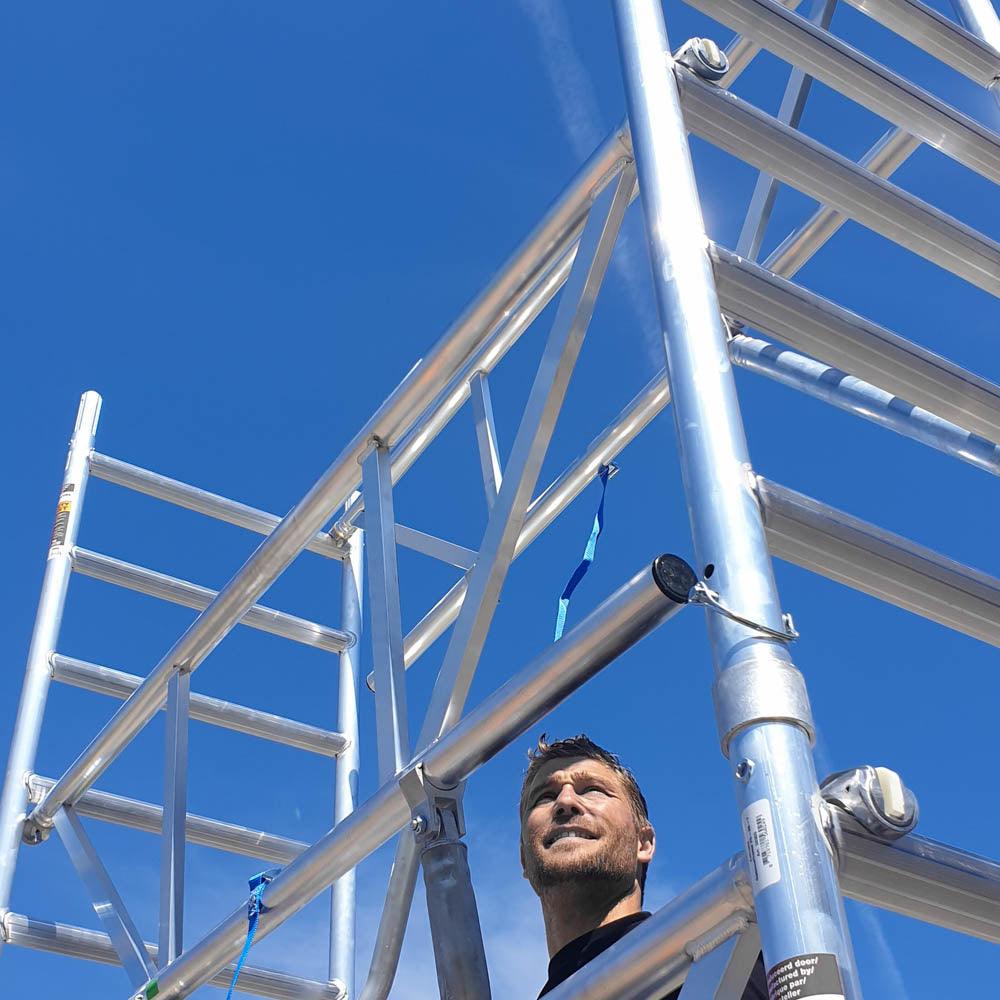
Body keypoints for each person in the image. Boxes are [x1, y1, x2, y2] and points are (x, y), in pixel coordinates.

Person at [519, 734, 768, 998]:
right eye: (544, 797)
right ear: (524, 858)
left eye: (592, 790)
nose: (565, 802)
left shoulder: (731, 960)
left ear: (643, 843)